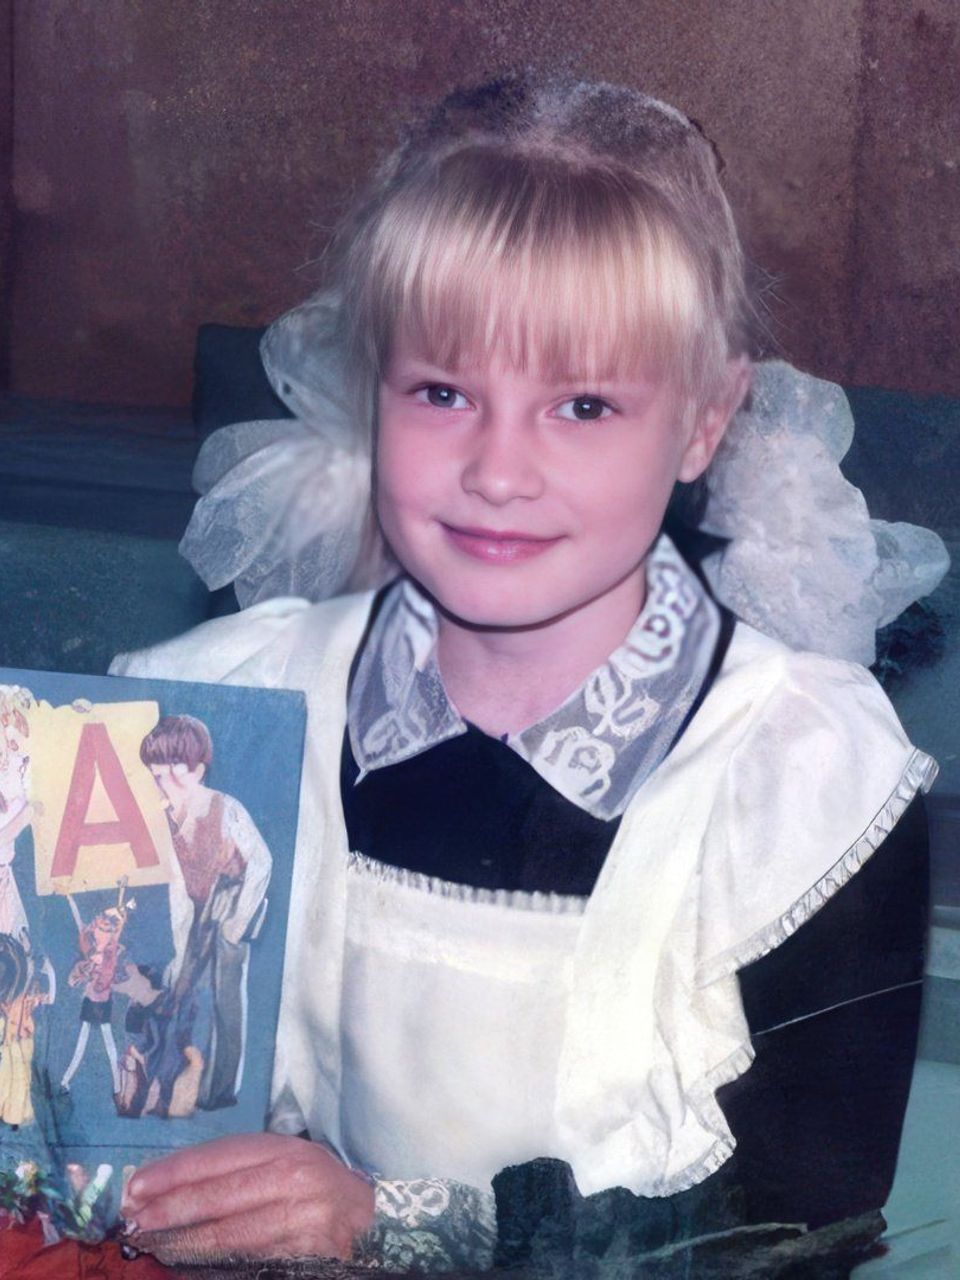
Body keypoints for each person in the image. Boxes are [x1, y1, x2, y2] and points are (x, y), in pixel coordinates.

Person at [109, 72, 944, 1271]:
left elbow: (801, 1229)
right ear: (371, 385)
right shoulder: (235, 708)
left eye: (584, 405)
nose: (498, 470)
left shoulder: (803, 782)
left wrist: (391, 1224)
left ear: (706, 419)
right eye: (443, 391)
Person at [139, 714, 272, 1116]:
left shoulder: (225, 808)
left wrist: (236, 924)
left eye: (175, 771)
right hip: (197, 913)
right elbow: (178, 889)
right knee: (180, 989)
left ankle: (219, 1092)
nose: (165, 782)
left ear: (198, 769)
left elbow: (261, 863)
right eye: (158, 774)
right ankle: (172, 1083)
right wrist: (182, 946)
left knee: (224, 998)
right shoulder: (166, 822)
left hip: (230, 906)